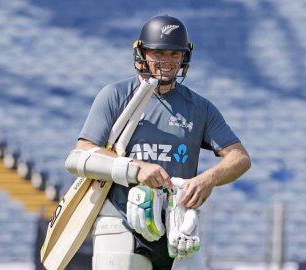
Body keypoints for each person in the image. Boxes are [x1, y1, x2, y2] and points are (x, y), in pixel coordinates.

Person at [73, 15, 251, 270]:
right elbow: (81, 155)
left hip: (177, 224)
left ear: (184, 57)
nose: (166, 61)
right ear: (142, 53)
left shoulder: (199, 107)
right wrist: (137, 168)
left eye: (173, 54)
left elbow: (240, 157)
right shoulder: (115, 95)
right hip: (121, 219)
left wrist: (207, 180)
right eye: (158, 53)